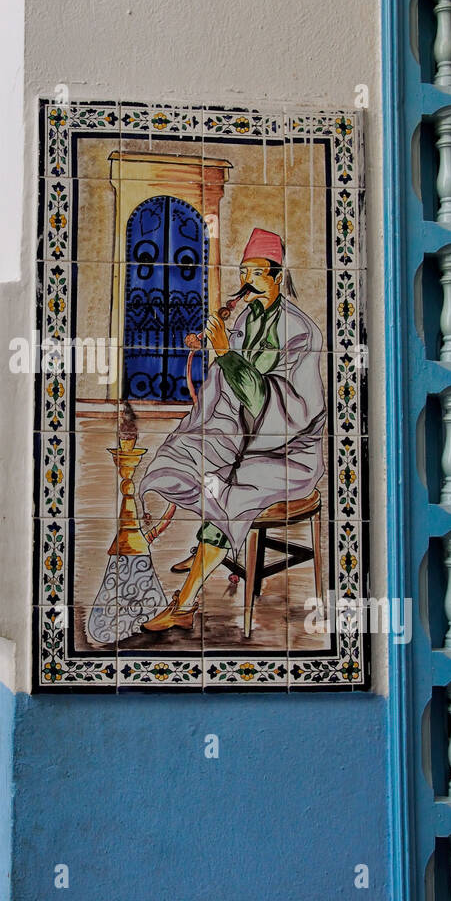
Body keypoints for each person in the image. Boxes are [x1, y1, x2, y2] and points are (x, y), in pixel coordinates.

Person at [138, 229, 326, 633]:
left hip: (289, 451)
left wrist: (225, 352)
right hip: (248, 437)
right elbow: (227, 390)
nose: (247, 282)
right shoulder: (244, 317)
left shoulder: (302, 332)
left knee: (235, 490)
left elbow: (279, 404)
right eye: (244, 272)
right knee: (186, 453)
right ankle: (211, 545)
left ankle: (184, 603)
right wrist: (214, 350)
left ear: (278, 276)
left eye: (257, 273)